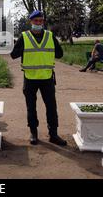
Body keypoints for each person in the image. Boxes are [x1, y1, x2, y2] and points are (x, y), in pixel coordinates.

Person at [10, 10, 67, 146]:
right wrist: (19, 47)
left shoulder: (50, 36)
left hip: (47, 78)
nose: (38, 23)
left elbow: (59, 54)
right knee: (31, 107)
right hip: (30, 78)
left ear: (43, 22)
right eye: (36, 21)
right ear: (31, 22)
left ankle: (53, 134)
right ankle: (33, 133)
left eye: (41, 21)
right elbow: (13, 55)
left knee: (51, 107)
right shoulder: (24, 37)